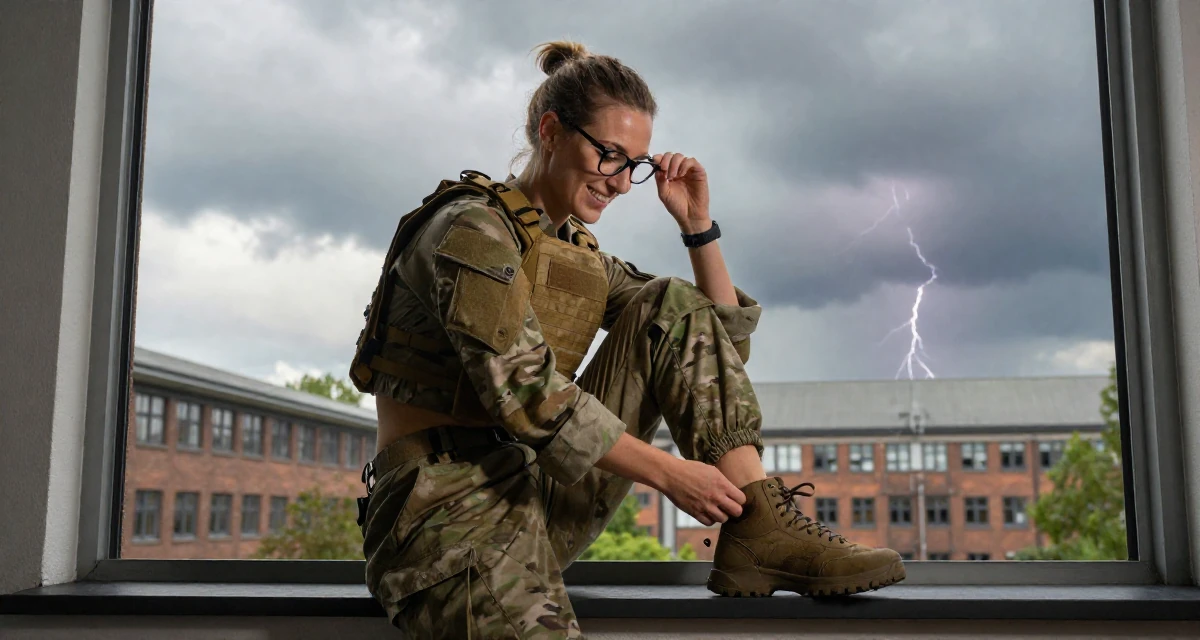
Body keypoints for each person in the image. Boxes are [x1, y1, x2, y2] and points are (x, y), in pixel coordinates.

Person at [352, 40, 905, 639]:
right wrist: (670, 474)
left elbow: (712, 342)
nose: (620, 183)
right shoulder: (469, 231)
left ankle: (763, 527)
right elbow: (527, 393)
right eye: (610, 155)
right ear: (551, 132)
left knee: (669, 301)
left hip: (536, 491)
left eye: (633, 165)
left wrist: (698, 228)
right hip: (445, 508)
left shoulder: (575, 254)